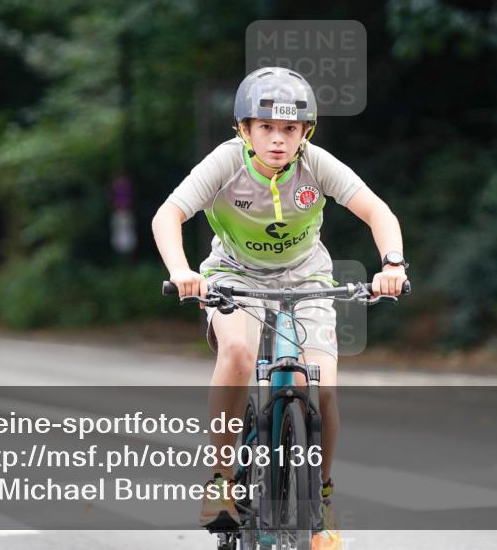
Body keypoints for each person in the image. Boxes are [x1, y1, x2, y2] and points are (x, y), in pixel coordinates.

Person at [152, 67, 408, 550]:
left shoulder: (315, 164)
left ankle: (323, 496)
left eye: (289, 129)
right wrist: (183, 271)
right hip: (234, 277)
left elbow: (378, 211)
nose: (277, 140)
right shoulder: (226, 162)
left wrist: (391, 263)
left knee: (323, 389)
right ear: (244, 130)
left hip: (307, 277)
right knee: (237, 356)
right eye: (265, 128)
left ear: (304, 133)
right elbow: (169, 214)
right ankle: (222, 480)